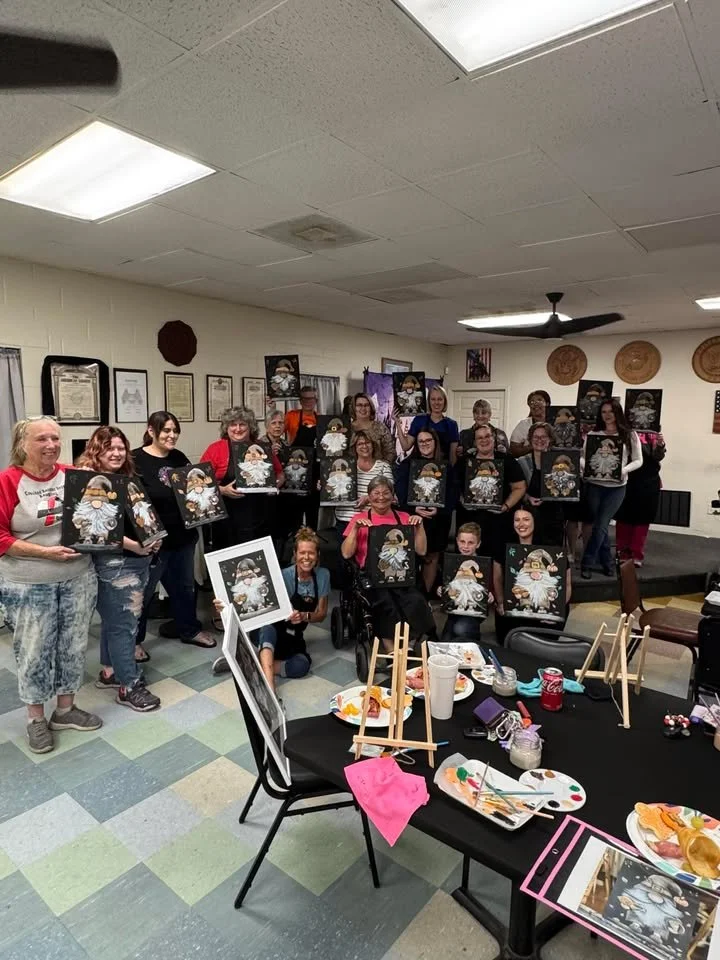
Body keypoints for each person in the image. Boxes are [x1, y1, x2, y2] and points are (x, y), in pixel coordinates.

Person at [0, 417, 101, 753]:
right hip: (29, 583)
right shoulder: (8, 481)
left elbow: (96, 516)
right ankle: (35, 719)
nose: (51, 445)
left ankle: (65, 710)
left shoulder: (73, 476)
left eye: (55, 438)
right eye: (42, 439)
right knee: (34, 651)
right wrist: (45, 553)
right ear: (22, 444)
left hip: (77, 577)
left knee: (74, 645)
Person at [77, 427, 161, 712]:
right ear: (96, 451)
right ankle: (129, 686)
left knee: (116, 622)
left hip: (137, 558)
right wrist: (135, 546)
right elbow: (95, 529)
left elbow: (141, 515)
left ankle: (111, 672)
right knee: (124, 626)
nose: (116, 453)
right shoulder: (90, 481)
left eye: (120, 447)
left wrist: (154, 538)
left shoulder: (127, 477)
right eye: (108, 448)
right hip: (116, 562)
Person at [134, 411, 216, 660]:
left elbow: (194, 490)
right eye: (166, 430)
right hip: (154, 542)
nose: (172, 435)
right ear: (151, 431)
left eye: (175, 431)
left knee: (185, 588)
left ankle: (189, 630)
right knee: (144, 593)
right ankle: (135, 641)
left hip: (183, 537)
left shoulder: (179, 457)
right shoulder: (135, 460)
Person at [341, 476, 435, 650]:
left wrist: (420, 527)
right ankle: (391, 649)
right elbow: (346, 553)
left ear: (393, 496)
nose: (381, 497)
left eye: (386, 493)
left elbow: (421, 551)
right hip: (373, 575)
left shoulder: (405, 517)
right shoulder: (359, 518)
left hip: (401, 573)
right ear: (369, 496)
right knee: (385, 601)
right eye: (376, 493)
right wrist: (355, 529)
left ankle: (407, 645)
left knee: (414, 600)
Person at [250, 527, 330, 692]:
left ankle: (252, 664)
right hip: (271, 630)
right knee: (267, 629)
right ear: (295, 554)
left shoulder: (323, 575)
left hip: (293, 636)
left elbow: (321, 614)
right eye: (302, 553)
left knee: (302, 665)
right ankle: (270, 691)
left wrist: (304, 616)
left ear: (317, 555)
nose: (306, 557)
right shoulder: (282, 575)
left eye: (311, 553)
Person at [492, 505, 572, 645]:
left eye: (526, 519)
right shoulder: (504, 547)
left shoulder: (552, 549)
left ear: (535, 521)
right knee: (511, 640)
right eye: (517, 520)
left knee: (542, 643)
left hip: (546, 606)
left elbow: (567, 584)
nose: (521, 524)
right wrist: (500, 602)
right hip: (514, 604)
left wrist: (555, 611)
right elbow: (497, 578)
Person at [580, 399, 642, 579]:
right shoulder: (593, 434)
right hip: (595, 486)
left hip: (616, 488)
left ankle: (587, 562)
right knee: (601, 526)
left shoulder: (629, 435)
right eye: (603, 412)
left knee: (600, 525)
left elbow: (638, 460)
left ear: (617, 413)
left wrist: (624, 470)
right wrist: (586, 468)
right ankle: (607, 562)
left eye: (610, 411)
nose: (607, 415)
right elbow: (583, 457)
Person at [456, 423, 526, 557]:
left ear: (494, 438)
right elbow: (454, 487)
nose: (484, 440)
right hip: (470, 519)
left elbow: (520, 487)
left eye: (487, 436)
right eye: (480, 438)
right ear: (475, 442)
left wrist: (506, 506)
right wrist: (462, 500)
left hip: (499, 520)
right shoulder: (464, 462)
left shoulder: (507, 460)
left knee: (497, 558)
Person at [401, 428, 452, 595]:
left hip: (438, 520)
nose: (424, 444)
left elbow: (453, 493)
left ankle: (425, 598)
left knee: (432, 558)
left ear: (435, 442)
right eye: (421, 441)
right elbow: (399, 493)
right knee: (410, 556)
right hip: (413, 518)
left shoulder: (446, 465)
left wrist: (439, 509)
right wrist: (413, 508)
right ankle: (410, 597)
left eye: (428, 440)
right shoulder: (407, 465)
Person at [614, 430, 666, 568]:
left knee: (643, 518)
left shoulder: (653, 433)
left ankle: (636, 554)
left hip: (648, 481)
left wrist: (660, 444)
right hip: (628, 478)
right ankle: (622, 553)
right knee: (624, 516)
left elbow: (658, 457)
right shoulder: (625, 431)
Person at [333, 430, 393, 544]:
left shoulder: (383, 466)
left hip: (372, 521)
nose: (364, 446)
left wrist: (368, 498)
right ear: (354, 447)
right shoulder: (344, 465)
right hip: (345, 520)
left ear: (373, 445)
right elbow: (333, 489)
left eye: (367, 443)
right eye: (360, 443)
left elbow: (391, 493)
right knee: (345, 554)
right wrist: (324, 486)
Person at [439, 522, 493, 642]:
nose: (466, 546)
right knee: (445, 641)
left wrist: (490, 595)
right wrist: (440, 589)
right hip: (454, 610)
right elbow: (445, 584)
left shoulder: (484, 565)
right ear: (457, 541)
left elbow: (489, 587)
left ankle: (474, 639)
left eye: (471, 543)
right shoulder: (451, 563)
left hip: (474, 611)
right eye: (462, 542)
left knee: (460, 629)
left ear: (478, 544)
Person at [516, 421, 565, 546]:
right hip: (530, 513)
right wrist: (527, 498)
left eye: (543, 437)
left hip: (554, 513)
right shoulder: (521, 462)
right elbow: (516, 489)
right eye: (536, 437)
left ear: (550, 439)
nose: (539, 440)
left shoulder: (560, 461)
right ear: (530, 439)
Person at [284, 386, 320, 530]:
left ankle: (312, 536)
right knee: (295, 508)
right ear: (300, 400)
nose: (308, 401)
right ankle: (295, 536)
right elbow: (276, 430)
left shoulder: (321, 419)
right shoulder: (291, 416)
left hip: (315, 469)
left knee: (313, 507)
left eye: (311, 398)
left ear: (316, 400)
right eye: (305, 398)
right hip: (295, 467)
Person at [396, 384, 459, 464]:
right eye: (433, 399)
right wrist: (397, 423)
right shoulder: (419, 420)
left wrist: (451, 470)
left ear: (445, 401)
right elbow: (406, 446)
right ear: (429, 401)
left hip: (442, 466)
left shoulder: (451, 425)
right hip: (418, 465)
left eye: (440, 399)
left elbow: (453, 456)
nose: (436, 402)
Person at [350, 392, 395, 464]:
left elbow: (390, 452)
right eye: (359, 405)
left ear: (371, 407)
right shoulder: (348, 428)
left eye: (366, 405)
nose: (363, 408)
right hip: (351, 469)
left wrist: (380, 467)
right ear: (354, 408)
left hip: (378, 469)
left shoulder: (380, 427)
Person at [509, 390, 551, 457]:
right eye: (532, 401)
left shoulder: (556, 422)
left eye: (539, 400)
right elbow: (514, 450)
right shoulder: (523, 424)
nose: (535, 403)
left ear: (547, 403)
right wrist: (533, 446)